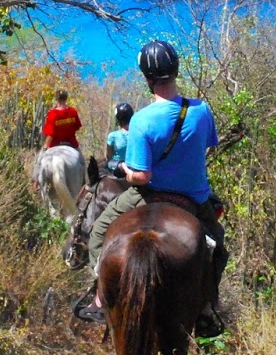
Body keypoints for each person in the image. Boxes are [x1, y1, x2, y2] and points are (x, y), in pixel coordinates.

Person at [74, 40, 227, 338]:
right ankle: (207, 306)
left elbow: (141, 177)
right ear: (176, 70)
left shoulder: (141, 121)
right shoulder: (201, 110)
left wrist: (126, 170)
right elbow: (205, 147)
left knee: (98, 231)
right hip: (193, 198)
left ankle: (101, 297)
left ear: (146, 78)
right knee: (217, 246)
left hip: (148, 194)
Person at [104, 101, 133, 177]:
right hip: (133, 167)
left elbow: (109, 156)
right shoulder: (137, 134)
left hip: (117, 169)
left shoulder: (112, 136)